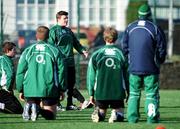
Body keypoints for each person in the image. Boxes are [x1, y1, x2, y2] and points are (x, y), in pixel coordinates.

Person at [122, 4, 167, 123]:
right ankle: (151, 118)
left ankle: (132, 119)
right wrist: (159, 61)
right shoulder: (155, 28)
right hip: (151, 68)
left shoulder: (129, 27)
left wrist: (130, 61)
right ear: (149, 14)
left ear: (138, 14)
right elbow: (162, 48)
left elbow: (124, 48)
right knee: (151, 94)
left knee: (134, 94)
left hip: (134, 69)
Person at [16, 26, 66, 121]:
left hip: (30, 88)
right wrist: (62, 89)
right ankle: (38, 109)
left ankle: (33, 107)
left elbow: (20, 72)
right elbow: (62, 71)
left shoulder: (27, 51)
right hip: (49, 89)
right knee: (51, 116)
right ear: (48, 36)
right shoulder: (55, 51)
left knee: (32, 107)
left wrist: (20, 89)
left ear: (36, 36)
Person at [87, 27, 129, 123]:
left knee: (101, 112)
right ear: (116, 38)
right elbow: (127, 76)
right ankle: (117, 114)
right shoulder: (121, 54)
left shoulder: (96, 54)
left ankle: (100, 114)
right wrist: (129, 91)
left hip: (101, 92)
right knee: (120, 111)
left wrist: (91, 94)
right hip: (117, 92)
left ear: (104, 38)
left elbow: (91, 76)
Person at [48, 11, 88, 110]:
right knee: (59, 83)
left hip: (70, 61)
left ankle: (70, 104)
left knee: (71, 84)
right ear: (58, 19)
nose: (66, 20)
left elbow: (76, 43)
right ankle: (57, 104)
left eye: (67, 18)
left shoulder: (68, 31)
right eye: (64, 18)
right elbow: (51, 46)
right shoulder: (53, 31)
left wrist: (82, 50)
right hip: (59, 62)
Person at [0, 41, 23, 114]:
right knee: (17, 110)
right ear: (7, 50)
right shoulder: (6, 59)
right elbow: (10, 74)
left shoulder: (2, 58)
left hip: (2, 88)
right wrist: (9, 88)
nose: (15, 52)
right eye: (13, 50)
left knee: (17, 108)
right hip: (5, 88)